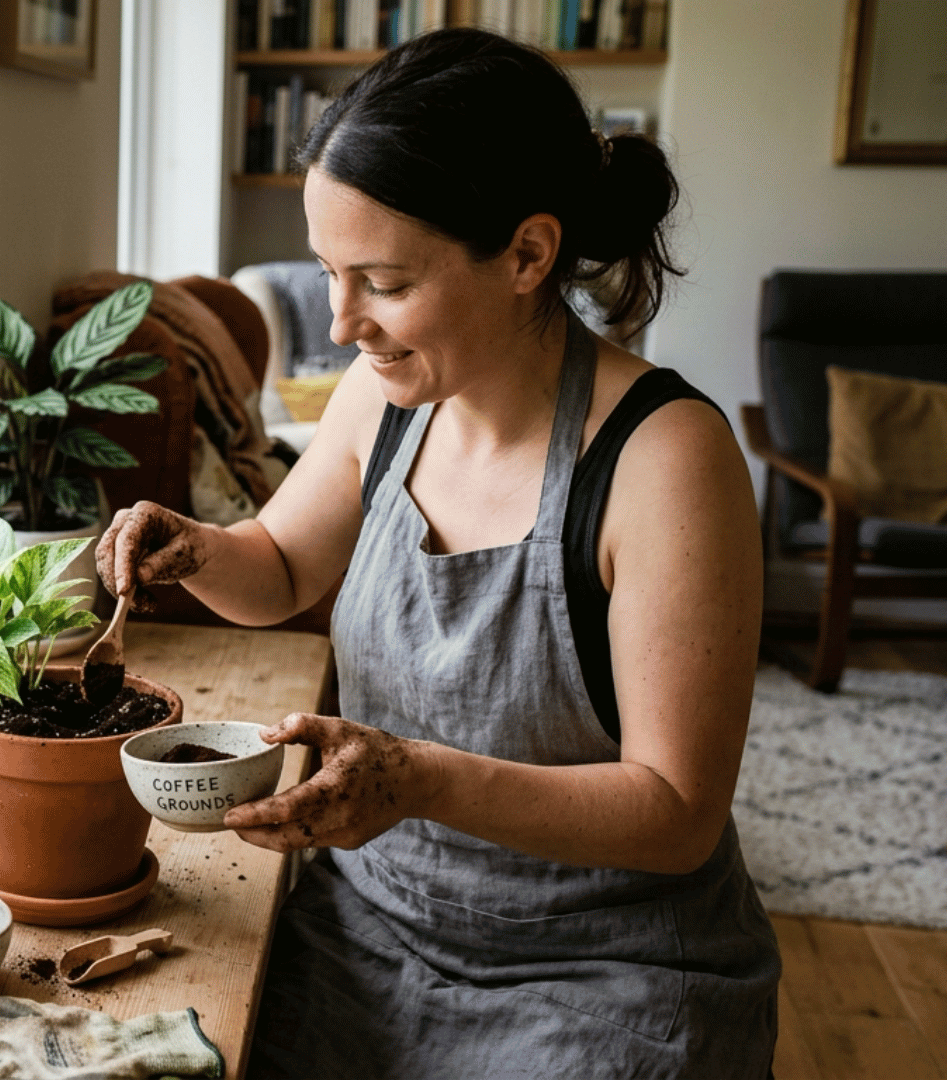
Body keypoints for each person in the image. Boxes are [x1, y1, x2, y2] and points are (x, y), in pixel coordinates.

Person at [96, 28, 780, 1079]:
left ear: (527, 254)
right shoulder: (384, 397)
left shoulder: (666, 459)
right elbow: (279, 566)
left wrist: (417, 781)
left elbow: (677, 814)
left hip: (602, 976)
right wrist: (198, 550)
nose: (341, 323)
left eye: (382, 280)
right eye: (330, 274)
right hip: (369, 930)